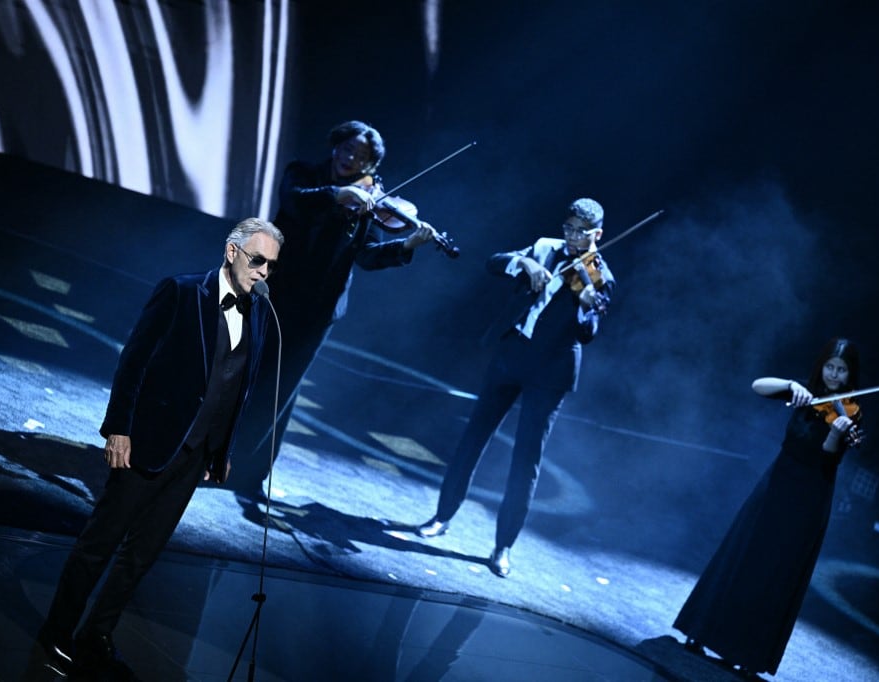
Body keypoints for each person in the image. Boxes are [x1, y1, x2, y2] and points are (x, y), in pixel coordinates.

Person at [36, 217, 284, 677]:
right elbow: (135, 359)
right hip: (147, 442)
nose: (264, 272)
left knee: (141, 555)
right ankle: (56, 633)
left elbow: (237, 387)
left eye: (271, 266)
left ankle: (97, 634)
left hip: (195, 456)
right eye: (258, 261)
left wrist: (221, 448)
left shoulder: (260, 318)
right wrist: (119, 429)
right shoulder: (181, 291)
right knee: (100, 543)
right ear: (232, 252)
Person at [224, 120, 437, 496]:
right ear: (334, 145)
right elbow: (295, 200)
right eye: (347, 148)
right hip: (273, 291)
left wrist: (406, 247)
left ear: (371, 165)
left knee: (282, 390)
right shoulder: (303, 174)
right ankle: (211, 453)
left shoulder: (370, 202)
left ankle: (249, 474)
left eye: (362, 156)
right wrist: (337, 194)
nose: (350, 157)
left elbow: (368, 256)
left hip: (319, 310)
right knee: (244, 372)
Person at [414, 198, 615, 577]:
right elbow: (494, 261)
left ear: (597, 235)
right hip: (512, 355)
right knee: (473, 438)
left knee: (526, 461)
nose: (572, 238)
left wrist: (586, 303)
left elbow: (588, 333)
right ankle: (441, 519)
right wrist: (524, 262)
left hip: (550, 373)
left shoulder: (599, 275)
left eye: (581, 233)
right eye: (569, 228)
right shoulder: (543, 246)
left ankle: (503, 546)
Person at [672, 337, 862, 677]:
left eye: (842, 370)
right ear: (822, 366)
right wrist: (791, 385)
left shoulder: (850, 412)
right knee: (743, 554)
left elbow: (828, 458)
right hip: (777, 483)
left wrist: (836, 432)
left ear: (850, 375)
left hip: (810, 495)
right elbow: (758, 386)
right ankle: (701, 632)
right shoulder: (805, 394)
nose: (834, 375)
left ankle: (745, 654)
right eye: (830, 367)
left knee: (776, 572)